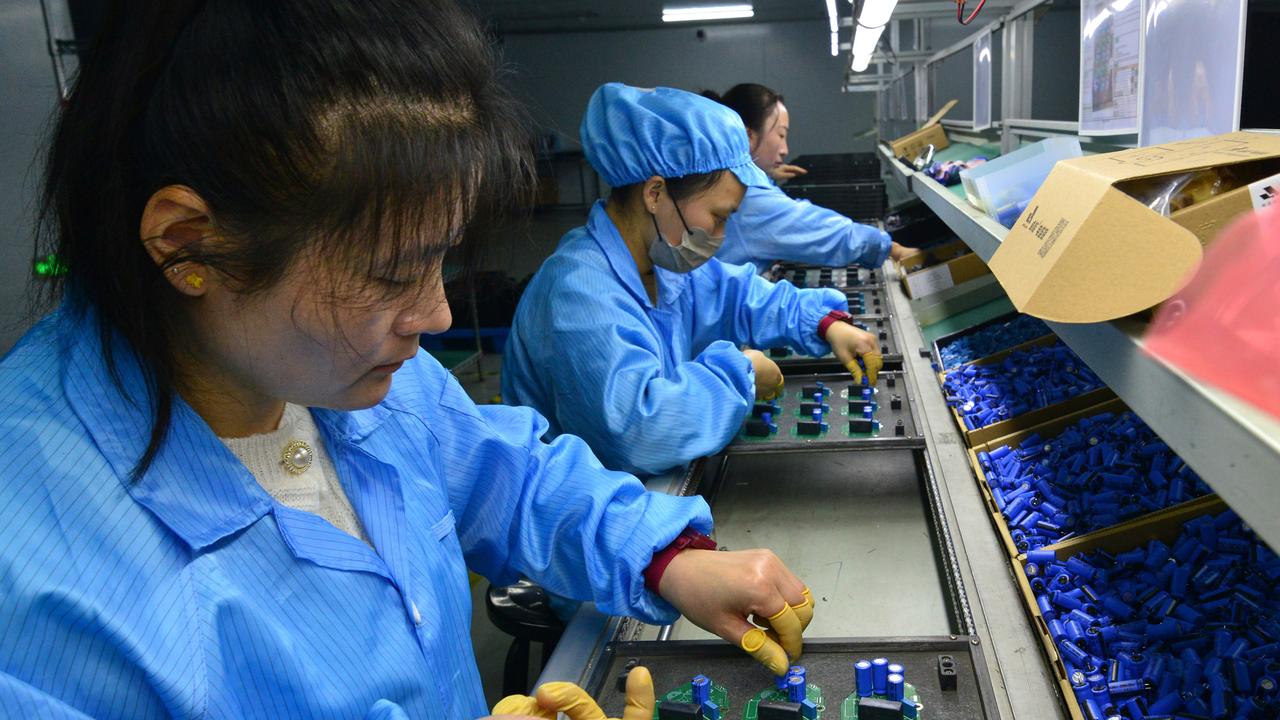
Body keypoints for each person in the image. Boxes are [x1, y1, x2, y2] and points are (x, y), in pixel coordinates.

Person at [0, 2, 815, 717]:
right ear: (188, 245)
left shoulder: (349, 379)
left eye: (440, 259)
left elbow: (511, 477)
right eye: (391, 274)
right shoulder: (36, 602)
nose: (437, 314)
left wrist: (664, 556)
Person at [501, 83, 883, 478]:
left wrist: (822, 322)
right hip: (581, 514)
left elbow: (737, 295)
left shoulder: (659, 261)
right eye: (718, 217)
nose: (719, 236)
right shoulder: (579, 293)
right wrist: (741, 373)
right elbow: (636, 431)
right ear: (655, 193)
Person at [701, 83, 912, 273]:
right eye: (781, 135)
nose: (785, 150)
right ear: (748, 136)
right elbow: (821, 231)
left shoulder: (721, 178)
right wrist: (892, 248)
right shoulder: (747, 196)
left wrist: (768, 175)